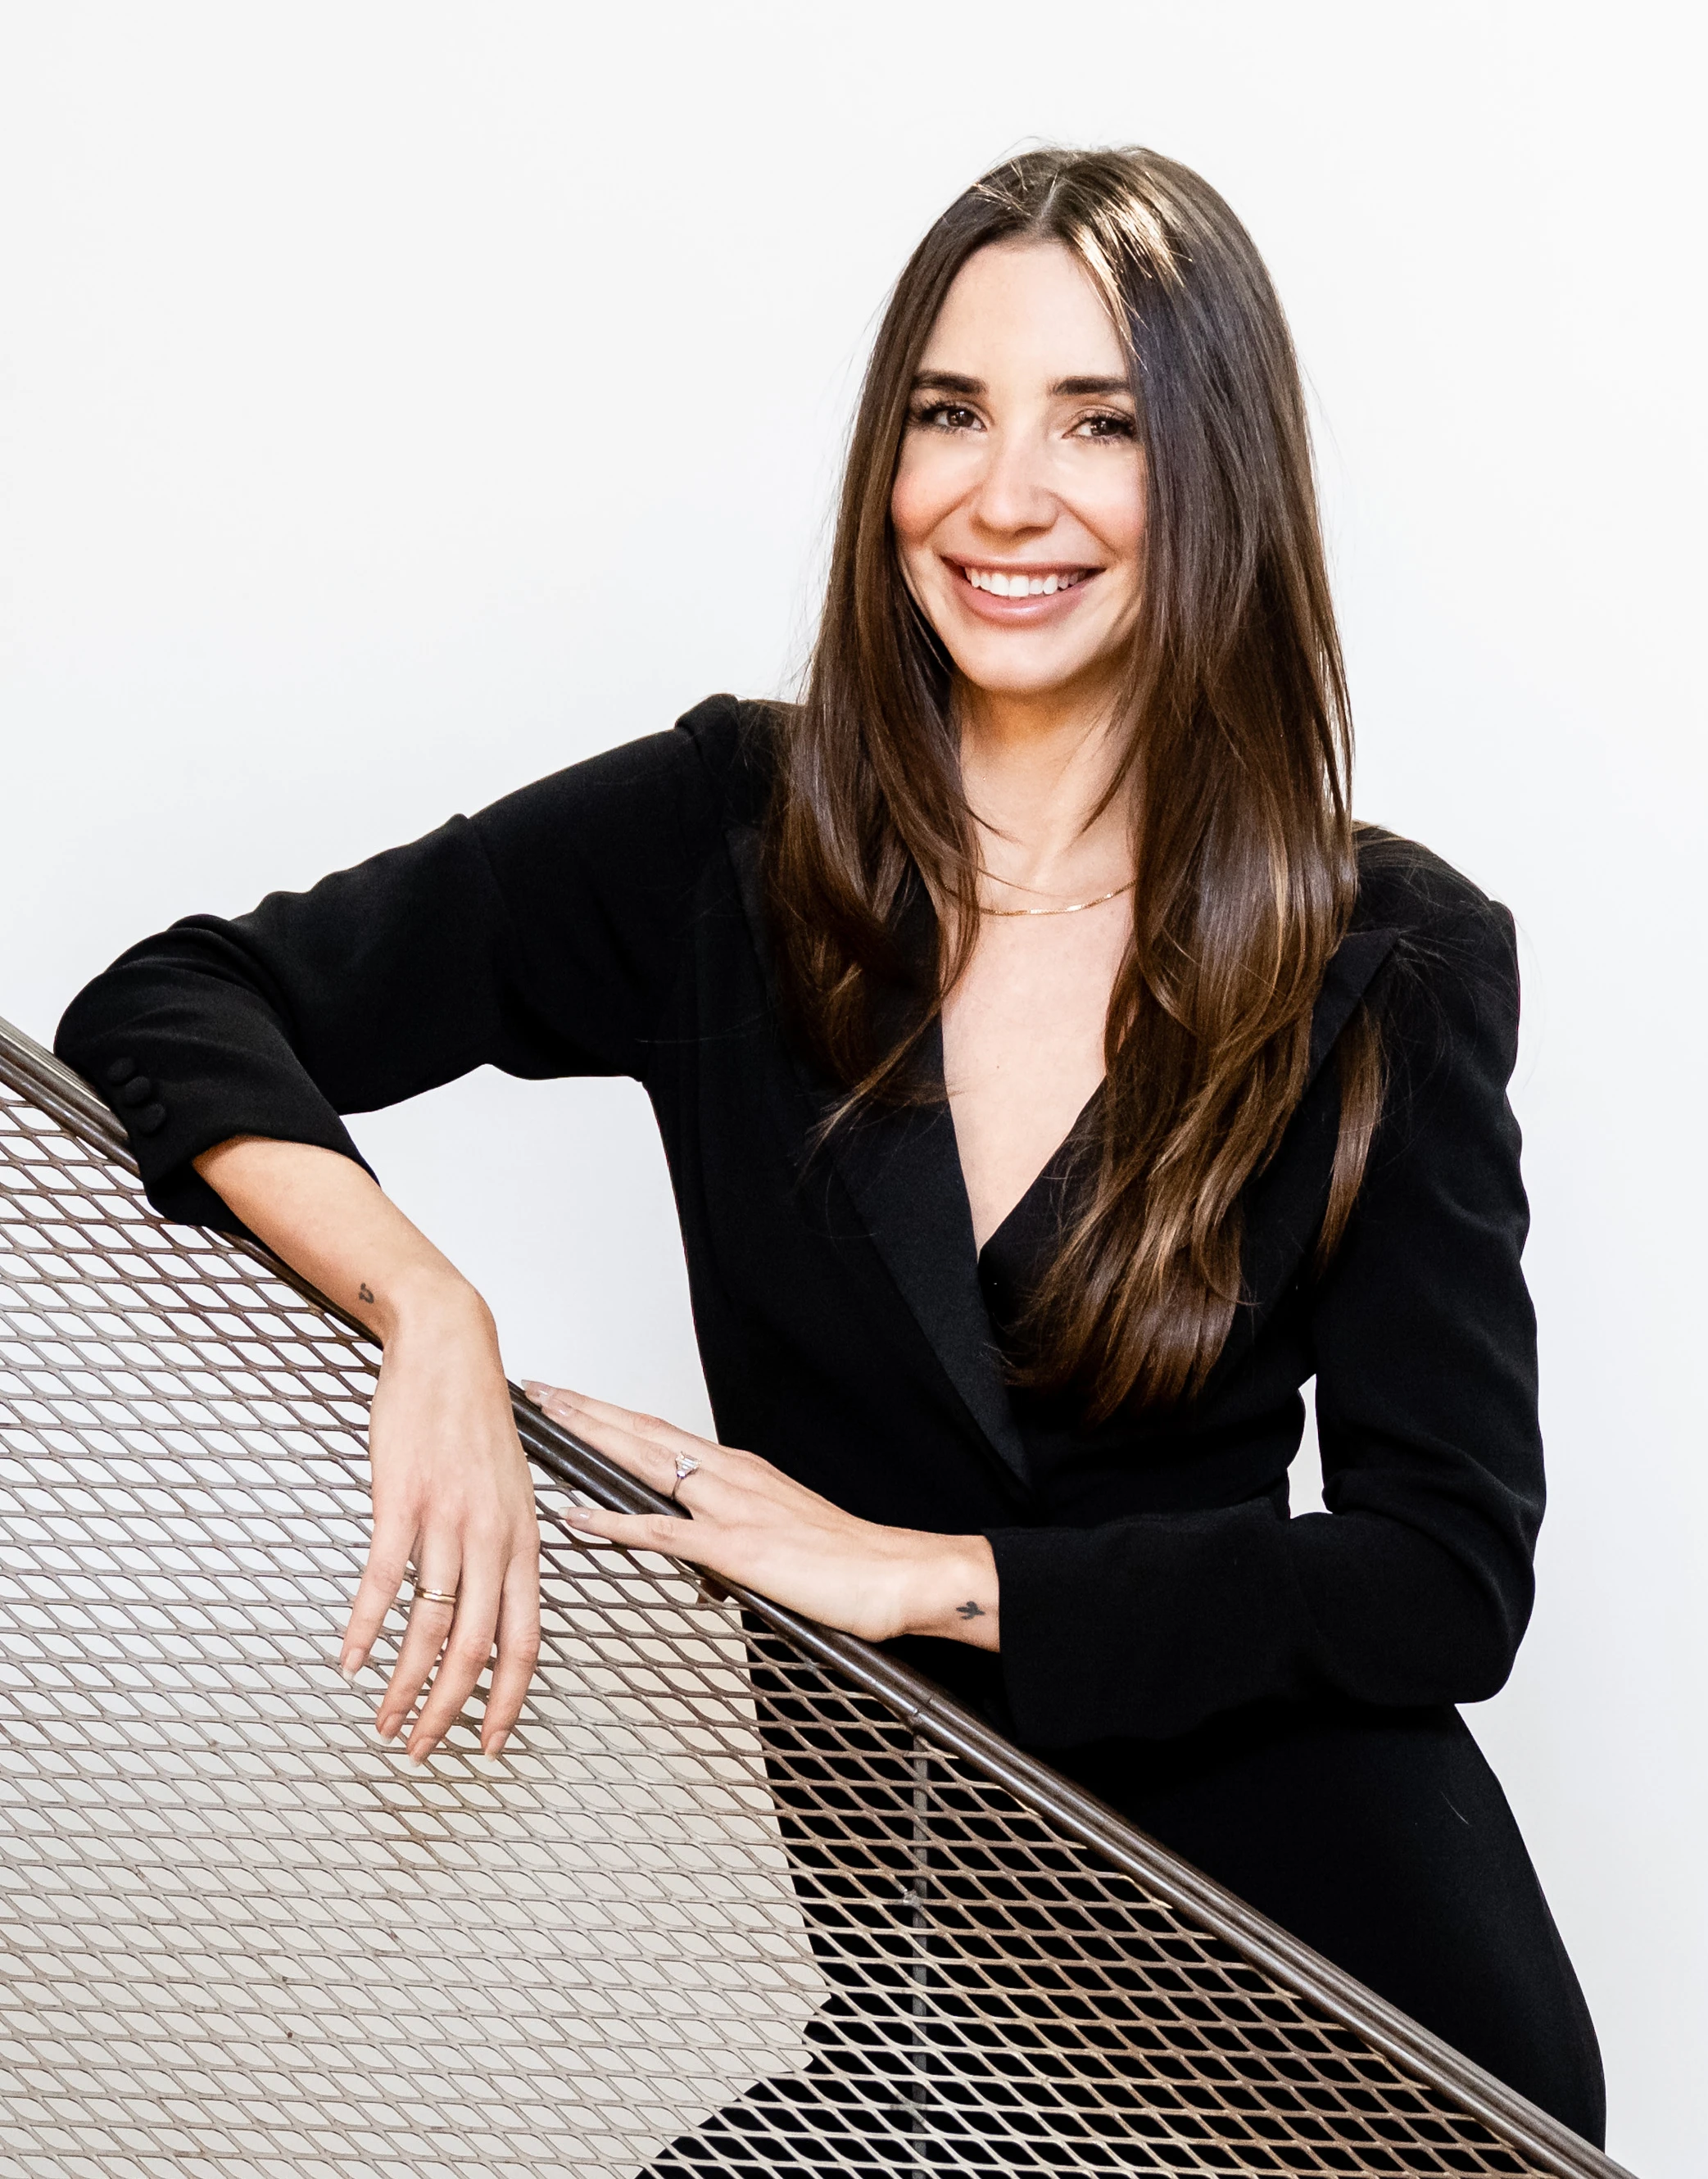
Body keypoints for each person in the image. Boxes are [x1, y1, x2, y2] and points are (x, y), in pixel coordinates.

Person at [57, 146, 1606, 2147]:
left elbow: (1443, 1575)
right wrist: (422, 1306)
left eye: (1102, 423)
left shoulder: (1386, 955)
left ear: (1214, 477)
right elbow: (179, 1003)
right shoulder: (731, 837)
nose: (1005, 494)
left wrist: (913, 1573)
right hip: (944, 1984)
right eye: (949, 413)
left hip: (1344, 2015)